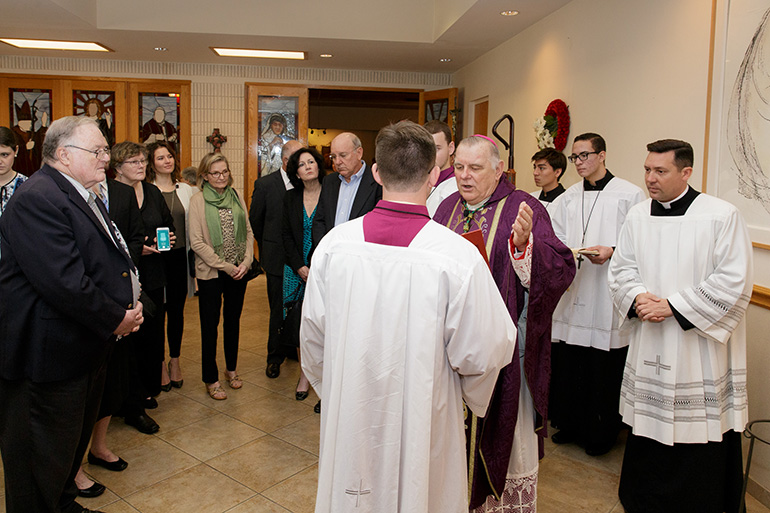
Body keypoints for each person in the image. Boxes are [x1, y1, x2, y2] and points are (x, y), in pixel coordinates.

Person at [302, 121, 516, 512]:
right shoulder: (457, 256)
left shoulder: (334, 247)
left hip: (352, 410)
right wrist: (468, 394)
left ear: (378, 172)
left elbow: (313, 340)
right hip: (425, 412)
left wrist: (339, 388)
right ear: (436, 175)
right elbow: (487, 349)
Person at [0, 116, 143, 513]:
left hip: (80, 348)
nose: (105, 158)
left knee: (65, 450)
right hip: (46, 357)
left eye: (105, 150)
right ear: (63, 154)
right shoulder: (39, 197)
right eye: (97, 151)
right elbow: (63, 282)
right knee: (39, 460)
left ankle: (64, 503)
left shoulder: (80, 191)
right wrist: (117, 317)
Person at [608, 139, 753, 513]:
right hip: (650, 337)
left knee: (696, 436)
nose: (650, 179)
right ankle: (644, 499)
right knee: (649, 429)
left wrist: (673, 306)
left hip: (695, 347)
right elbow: (621, 268)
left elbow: (734, 281)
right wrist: (639, 298)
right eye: (647, 170)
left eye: (660, 171)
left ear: (686, 172)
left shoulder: (721, 216)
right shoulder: (638, 216)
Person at [434, 135, 575, 511]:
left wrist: (524, 248)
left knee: (505, 437)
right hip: (450, 348)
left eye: (475, 168)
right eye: (460, 167)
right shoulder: (446, 207)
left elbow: (561, 267)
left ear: (498, 170)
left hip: (505, 351)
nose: (464, 176)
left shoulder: (523, 207)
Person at [548, 132, 645, 456]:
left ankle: (600, 432)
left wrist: (612, 251)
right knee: (572, 362)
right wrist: (566, 251)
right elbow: (554, 234)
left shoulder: (629, 195)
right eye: (575, 157)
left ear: (602, 155)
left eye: (585, 155)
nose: (579, 163)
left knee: (600, 365)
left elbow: (639, 244)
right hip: (575, 287)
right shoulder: (569, 197)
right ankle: (570, 424)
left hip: (606, 291)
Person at [114, 141, 175, 434]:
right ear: (117, 167)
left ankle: (144, 390)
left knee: (152, 336)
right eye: (134, 162)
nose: (141, 166)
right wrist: (140, 249)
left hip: (153, 273)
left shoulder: (151, 192)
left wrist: (167, 240)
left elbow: (166, 223)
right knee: (129, 341)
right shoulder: (110, 194)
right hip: (123, 277)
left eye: (142, 161)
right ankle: (130, 403)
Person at [189, 153, 254, 400]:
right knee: (209, 325)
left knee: (233, 321)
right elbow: (196, 242)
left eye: (224, 172)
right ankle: (211, 378)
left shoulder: (236, 196)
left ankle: (231, 369)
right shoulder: (197, 202)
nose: (221, 177)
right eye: (215, 173)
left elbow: (248, 232)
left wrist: (246, 261)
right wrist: (226, 266)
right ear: (204, 175)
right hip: (212, 273)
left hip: (239, 271)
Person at [250, 139, 303, 380]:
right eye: (298, 160)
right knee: (276, 310)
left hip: (301, 260)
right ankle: (274, 357)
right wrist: (267, 249)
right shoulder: (265, 185)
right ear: (285, 161)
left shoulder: (307, 183)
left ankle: (293, 348)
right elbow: (256, 223)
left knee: (299, 307)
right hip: (276, 259)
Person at [146, 141, 196, 390]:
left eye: (169, 156)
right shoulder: (145, 190)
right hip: (154, 259)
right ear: (151, 163)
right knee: (156, 313)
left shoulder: (187, 190)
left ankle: (174, 361)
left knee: (177, 311)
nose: (167, 161)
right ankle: (157, 363)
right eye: (160, 157)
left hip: (179, 259)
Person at [282, 147, 324, 400]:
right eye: (301, 164)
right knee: (300, 324)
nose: (307, 166)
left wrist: (317, 268)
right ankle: (304, 374)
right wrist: (299, 265)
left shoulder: (332, 194)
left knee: (322, 325)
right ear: (295, 172)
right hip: (295, 269)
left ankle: (323, 375)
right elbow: (285, 235)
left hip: (324, 270)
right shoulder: (289, 198)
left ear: (318, 165)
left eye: (311, 162)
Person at [312, 132, 382, 246]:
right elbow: (319, 221)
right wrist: (324, 249)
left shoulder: (377, 182)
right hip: (330, 255)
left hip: (360, 256)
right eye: (334, 157)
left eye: (343, 155)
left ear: (359, 153)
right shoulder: (329, 181)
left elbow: (379, 226)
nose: (337, 162)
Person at [0, 126, 27, 259]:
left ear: (15, 151)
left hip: (17, 262)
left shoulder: (28, 186)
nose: (0, 161)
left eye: (5, 155)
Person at [424, 119, 456, 216]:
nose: (431, 155)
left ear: (450, 148)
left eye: (437, 148)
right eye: (426, 149)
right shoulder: (419, 182)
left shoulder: (457, 186)